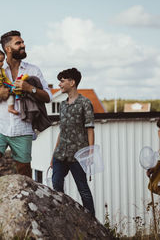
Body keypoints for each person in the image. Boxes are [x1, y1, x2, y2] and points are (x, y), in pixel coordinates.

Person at [0, 30, 52, 196]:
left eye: (23, 42)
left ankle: (25, 204)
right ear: (8, 48)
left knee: (24, 169)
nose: (23, 45)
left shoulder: (33, 70)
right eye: (19, 43)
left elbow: (48, 97)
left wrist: (29, 89)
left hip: (23, 127)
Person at [50, 68, 95, 216]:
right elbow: (62, 131)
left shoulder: (85, 103)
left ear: (72, 82)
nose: (60, 84)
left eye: (62, 81)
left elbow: (90, 129)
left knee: (83, 189)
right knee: (56, 184)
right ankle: (63, 215)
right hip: (60, 154)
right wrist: (53, 155)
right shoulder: (62, 105)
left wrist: (90, 153)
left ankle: (91, 222)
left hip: (78, 155)